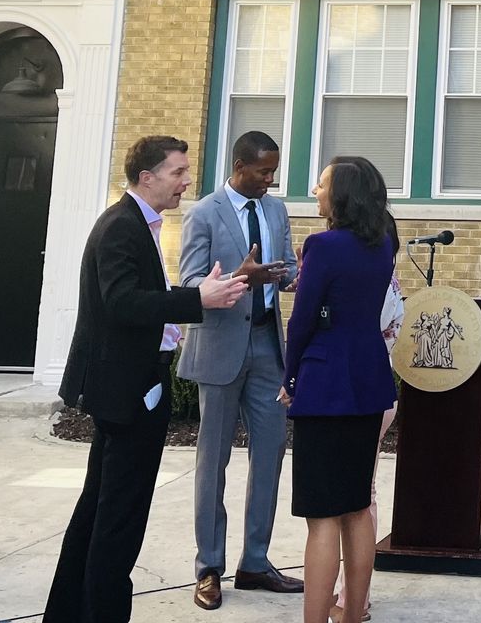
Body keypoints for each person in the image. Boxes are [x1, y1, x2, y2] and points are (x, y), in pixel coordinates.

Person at [44, 137, 250, 623]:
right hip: (128, 393)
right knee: (119, 518)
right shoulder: (121, 227)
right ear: (147, 177)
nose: (185, 182)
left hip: (129, 388)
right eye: (178, 172)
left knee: (99, 510)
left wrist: (195, 295)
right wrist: (198, 299)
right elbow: (122, 303)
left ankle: (70, 611)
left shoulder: (139, 224)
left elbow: (140, 298)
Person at [179, 131, 303, 609]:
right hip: (220, 347)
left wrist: (296, 272)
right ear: (238, 166)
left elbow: (285, 274)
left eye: (274, 171)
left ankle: (256, 562)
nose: (270, 180)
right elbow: (189, 282)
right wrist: (238, 278)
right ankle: (208, 567)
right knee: (213, 463)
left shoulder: (274, 210)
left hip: (269, 347)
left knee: (269, 455)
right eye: (263, 171)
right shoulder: (203, 213)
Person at [279, 156, 398, 623]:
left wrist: (290, 378)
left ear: (342, 193)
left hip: (325, 385)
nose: (316, 190)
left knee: (323, 517)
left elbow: (302, 319)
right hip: (369, 381)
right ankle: (352, 614)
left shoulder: (322, 246)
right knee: (356, 507)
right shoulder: (383, 243)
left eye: (323, 183)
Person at [333, 264, 404, 623]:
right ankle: (355, 595)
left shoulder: (367, 282)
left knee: (355, 499)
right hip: (380, 390)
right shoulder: (390, 281)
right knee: (365, 492)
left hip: (360, 394)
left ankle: (352, 599)